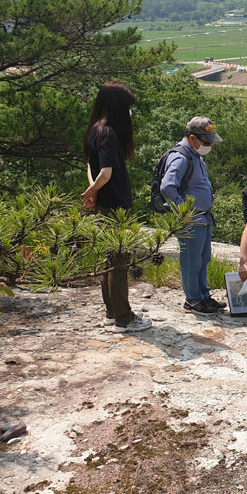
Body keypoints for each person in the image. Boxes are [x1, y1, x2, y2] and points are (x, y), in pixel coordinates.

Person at [81, 81, 151, 333]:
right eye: (127, 108)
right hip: (116, 208)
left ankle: (111, 311)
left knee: (108, 260)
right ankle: (124, 318)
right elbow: (107, 173)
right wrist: (93, 191)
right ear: (117, 107)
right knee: (119, 261)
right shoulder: (108, 133)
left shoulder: (94, 130)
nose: (129, 114)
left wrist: (93, 191)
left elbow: (92, 167)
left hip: (104, 205)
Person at [160, 116, 224, 316]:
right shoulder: (181, 157)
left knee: (203, 259)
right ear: (192, 138)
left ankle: (203, 296)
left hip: (203, 217)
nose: (209, 145)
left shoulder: (195, 155)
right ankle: (193, 300)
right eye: (207, 142)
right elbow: (167, 187)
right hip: (191, 218)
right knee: (191, 261)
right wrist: (183, 210)